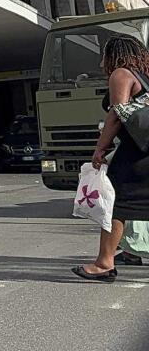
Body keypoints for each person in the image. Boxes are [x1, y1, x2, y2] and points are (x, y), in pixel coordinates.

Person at [74, 36, 149, 281]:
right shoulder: (144, 77)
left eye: (103, 55)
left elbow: (118, 115)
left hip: (137, 152)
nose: (100, 62)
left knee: (115, 204)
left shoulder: (121, 74)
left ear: (114, 55)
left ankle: (105, 263)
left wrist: (100, 148)